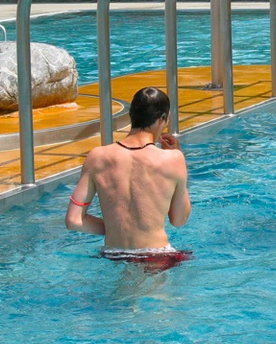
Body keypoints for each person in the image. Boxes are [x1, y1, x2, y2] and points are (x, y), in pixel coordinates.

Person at [66, 87, 191, 268]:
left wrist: (116, 227)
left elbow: (73, 220)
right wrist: (179, 161)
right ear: (162, 119)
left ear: (132, 115)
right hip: (156, 256)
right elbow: (179, 220)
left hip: (112, 255)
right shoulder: (173, 159)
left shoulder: (97, 157)